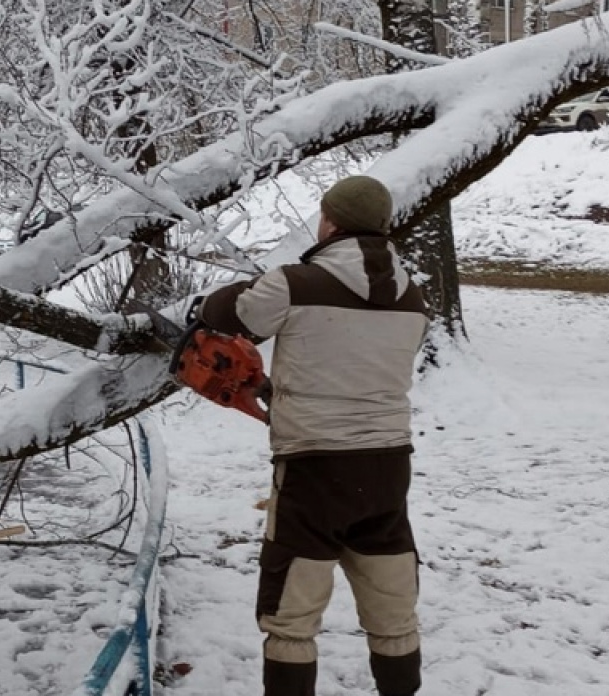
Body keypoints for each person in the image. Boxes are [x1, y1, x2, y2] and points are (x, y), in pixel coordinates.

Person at [197, 175, 429, 696]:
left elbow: (230, 316)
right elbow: (354, 366)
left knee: (292, 612)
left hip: (313, 468)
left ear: (330, 221)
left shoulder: (294, 282)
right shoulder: (413, 299)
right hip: (388, 468)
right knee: (392, 603)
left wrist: (229, 294)